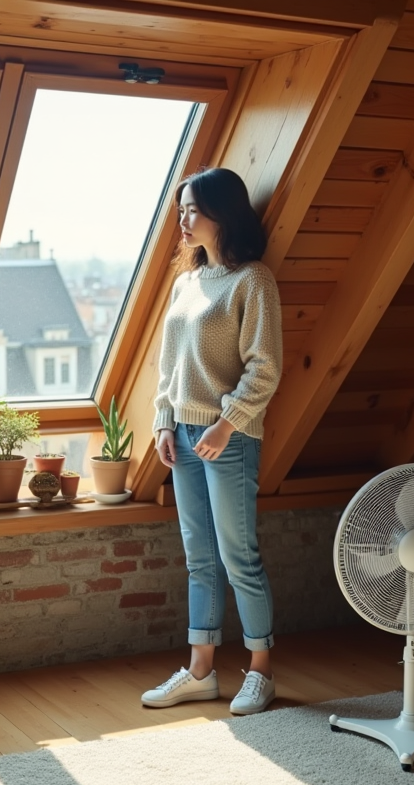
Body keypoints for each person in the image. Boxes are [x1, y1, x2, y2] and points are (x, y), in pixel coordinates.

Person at [141, 167, 283, 716]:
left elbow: (265, 368)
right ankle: (200, 671)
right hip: (180, 435)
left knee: (237, 556)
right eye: (180, 210)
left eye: (192, 209)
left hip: (229, 437)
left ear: (224, 213)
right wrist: (161, 421)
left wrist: (227, 424)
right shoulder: (186, 283)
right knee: (199, 558)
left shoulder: (253, 281)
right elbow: (167, 365)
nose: (182, 219)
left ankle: (260, 672)